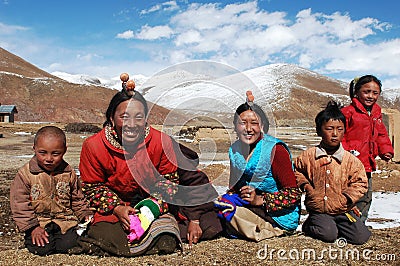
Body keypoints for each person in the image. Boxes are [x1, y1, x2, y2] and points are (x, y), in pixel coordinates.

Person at [76, 73, 221, 256]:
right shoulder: (93, 146)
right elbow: (93, 186)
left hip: (153, 203)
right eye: (124, 117)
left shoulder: (160, 142)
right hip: (115, 206)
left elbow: (169, 182)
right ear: (112, 119)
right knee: (108, 235)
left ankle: (152, 234)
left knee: (210, 225)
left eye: (139, 117)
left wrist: (149, 209)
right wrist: (117, 208)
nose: (132, 124)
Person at [214, 91, 301, 242]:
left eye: (254, 123)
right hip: (250, 206)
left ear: (262, 126)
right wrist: (229, 195)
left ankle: (271, 231)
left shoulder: (275, 150)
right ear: (235, 126)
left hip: (277, 215)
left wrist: (260, 200)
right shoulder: (234, 150)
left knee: (227, 212)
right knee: (218, 205)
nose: (248, 129)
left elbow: (293, 194)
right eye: (242, 123)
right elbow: (235, 186)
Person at [294, 101, 371, 245]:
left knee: (361, 237)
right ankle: (310, 224)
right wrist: (306, 186)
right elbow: (296, 170)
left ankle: (335, 226)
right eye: (329, 129)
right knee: (328, 234)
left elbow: (360, 182)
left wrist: (346, 198)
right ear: (319, 131)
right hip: (319, 210)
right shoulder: (309, 156)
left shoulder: (350, 160)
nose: (335, 134)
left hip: (343, 210)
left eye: (339, 129)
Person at [10, 126, 93, 256]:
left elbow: (77, 198)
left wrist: (84, 214)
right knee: (43, 248)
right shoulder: (25, 174)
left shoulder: (68, 173)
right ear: (34, 149)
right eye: (42, 153)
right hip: (39, 223)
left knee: (70, 245)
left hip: (64, 221)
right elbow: (20, 205)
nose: (49, 158)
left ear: (64, 151)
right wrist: (32, 228)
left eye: (55, 154)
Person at [341, 75, 394, 223]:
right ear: (357, 92)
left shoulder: (376, 113)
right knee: (349, 192)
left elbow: (381, 134)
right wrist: (344, 154)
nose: (371, 96)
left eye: (375, 93)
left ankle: (360, 223)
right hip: (349, 163)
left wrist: (386, 151)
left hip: (366, 164)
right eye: (367, 91)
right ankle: (344, 223)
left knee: (365, 194)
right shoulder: (348, 112)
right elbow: (340, 135)